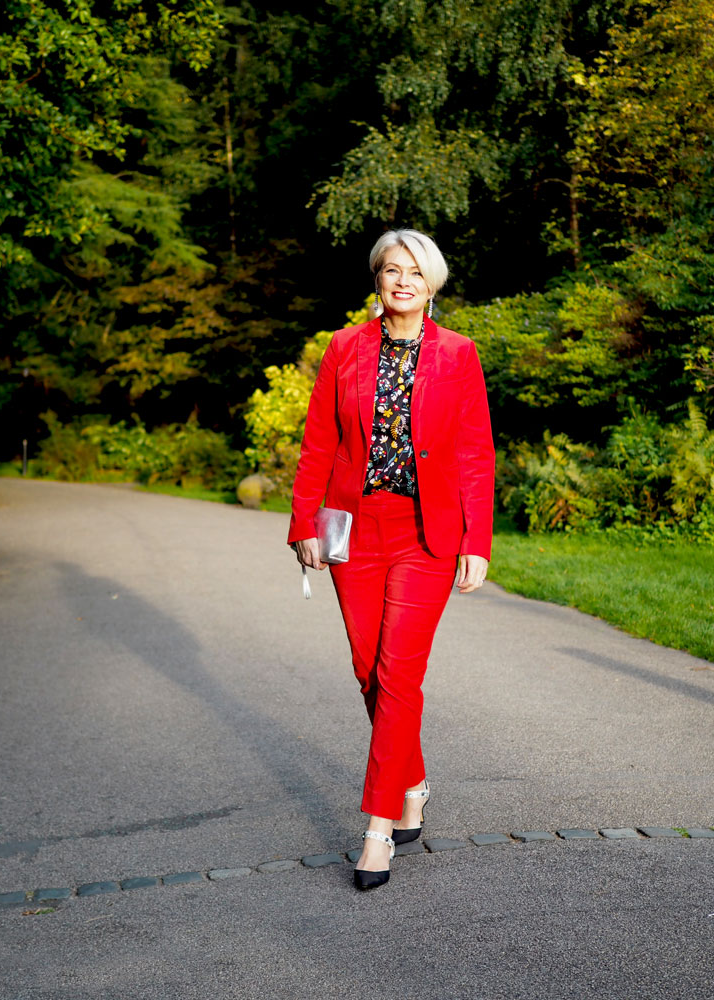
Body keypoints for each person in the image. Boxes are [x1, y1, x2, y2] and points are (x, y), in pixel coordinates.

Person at [288, 229, 495, 891]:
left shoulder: (458, 355)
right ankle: (411, 784)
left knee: (399, 674)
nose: (402, 281)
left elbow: (474, 453)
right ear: (376, 279)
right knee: (369, 671)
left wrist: (476, 541)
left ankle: (378, 831)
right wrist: (302, 523)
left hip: (425, 535)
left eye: (414, 271)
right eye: (390, 269)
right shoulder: (344, 348)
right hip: (355, 530)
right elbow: (319, 440)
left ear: (431, 282)